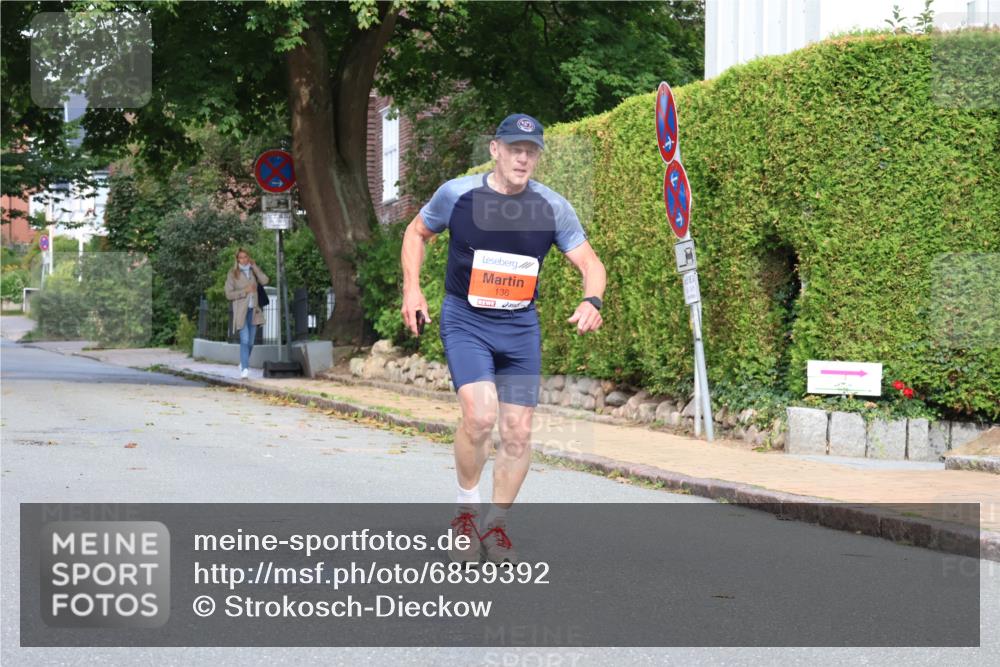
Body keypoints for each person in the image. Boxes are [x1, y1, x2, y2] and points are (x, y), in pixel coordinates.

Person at [400, 113, 606, 565]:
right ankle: (465, 515)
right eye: (515, 148)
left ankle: (495, 527)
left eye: (531, 151)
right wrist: (411, 287)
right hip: (466, 321)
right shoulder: (457, 194)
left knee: (517, 431)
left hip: (519, 328)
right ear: (494, 149)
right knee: (480, 416)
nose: (523, 157)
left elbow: (591, 264)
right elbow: (417, 233)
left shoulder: (553, 208)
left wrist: (593, 300)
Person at [224, 248, 269, 379]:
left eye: (246, 257)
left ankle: (243, 362)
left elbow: (265, 280)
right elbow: (228, 294)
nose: (243, 259)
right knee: (244, 340)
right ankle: (245, 369)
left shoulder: (252, 271)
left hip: (254, 311)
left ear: (248, 257)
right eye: (241, 257)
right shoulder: (233, 273)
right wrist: (245, 291)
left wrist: (254, 266)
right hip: (241, 312)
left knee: (251, 342)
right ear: (237, 259)